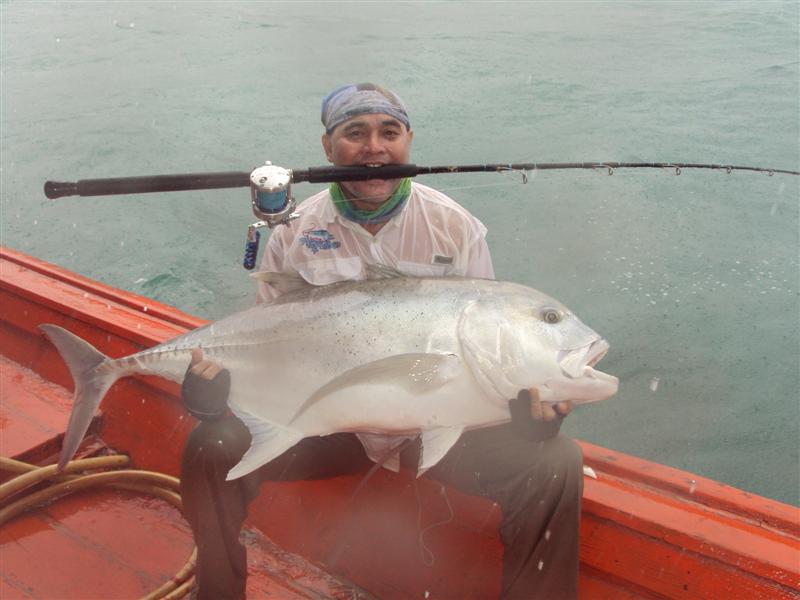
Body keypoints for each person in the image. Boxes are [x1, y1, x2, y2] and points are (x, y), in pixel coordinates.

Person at [180, 83, 583, 600]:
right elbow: (267, 347)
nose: (375, 147)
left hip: (435, 428)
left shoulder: (453, 228)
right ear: (328, 148)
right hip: (330, 427)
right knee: (212, 445)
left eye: (389, 132)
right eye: (355, 133)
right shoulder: (293, 232)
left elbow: (484, 351)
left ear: (409, 140)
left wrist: (527, 413)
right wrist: (215, 397)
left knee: (555, 462)